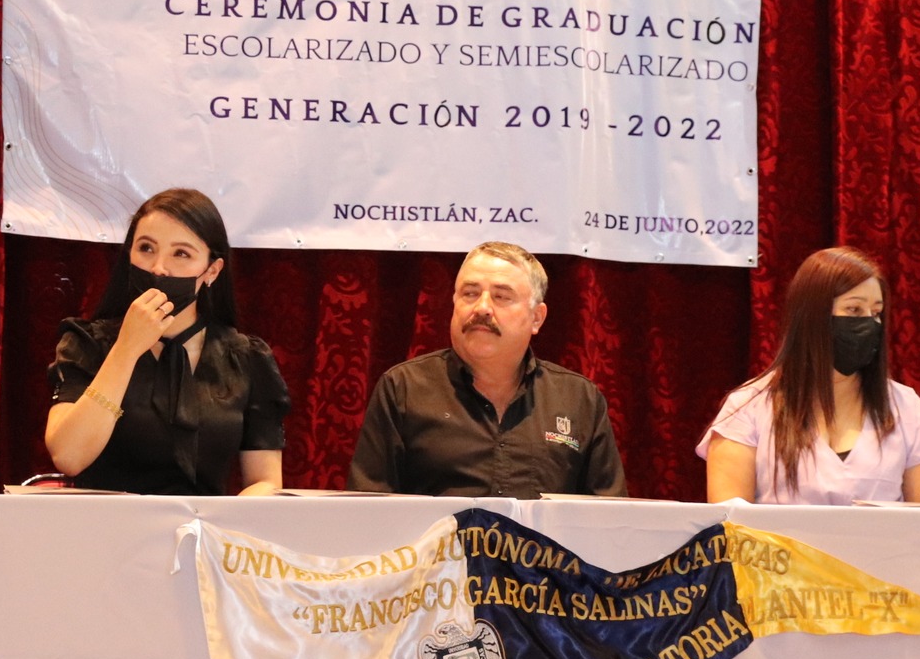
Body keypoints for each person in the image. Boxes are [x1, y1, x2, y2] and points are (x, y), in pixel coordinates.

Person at [45, 188, 288, 494]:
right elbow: (69, 456)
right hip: (106, 529)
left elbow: (264, 480)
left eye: (181, 253)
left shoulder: (246, 357)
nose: (159, 268)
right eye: (146, 248)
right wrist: (127, 348)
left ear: (212, 270)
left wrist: (223, 525)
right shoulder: (89, 343)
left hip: (204, 532)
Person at [347, 241, 626, 498]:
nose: (482, 308)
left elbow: (609, 518)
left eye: (501, 296)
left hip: (544, 554)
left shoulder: (579, 399)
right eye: (470, 293)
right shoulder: (403, 389)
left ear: (536, 318)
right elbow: (369, 510)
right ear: (454, 303)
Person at [699, 247, 920, 505]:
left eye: (876, 313)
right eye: (854, 310)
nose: (869, 324)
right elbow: (728, 526)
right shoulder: (747, 407)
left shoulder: (906, 407)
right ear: (813, 317)